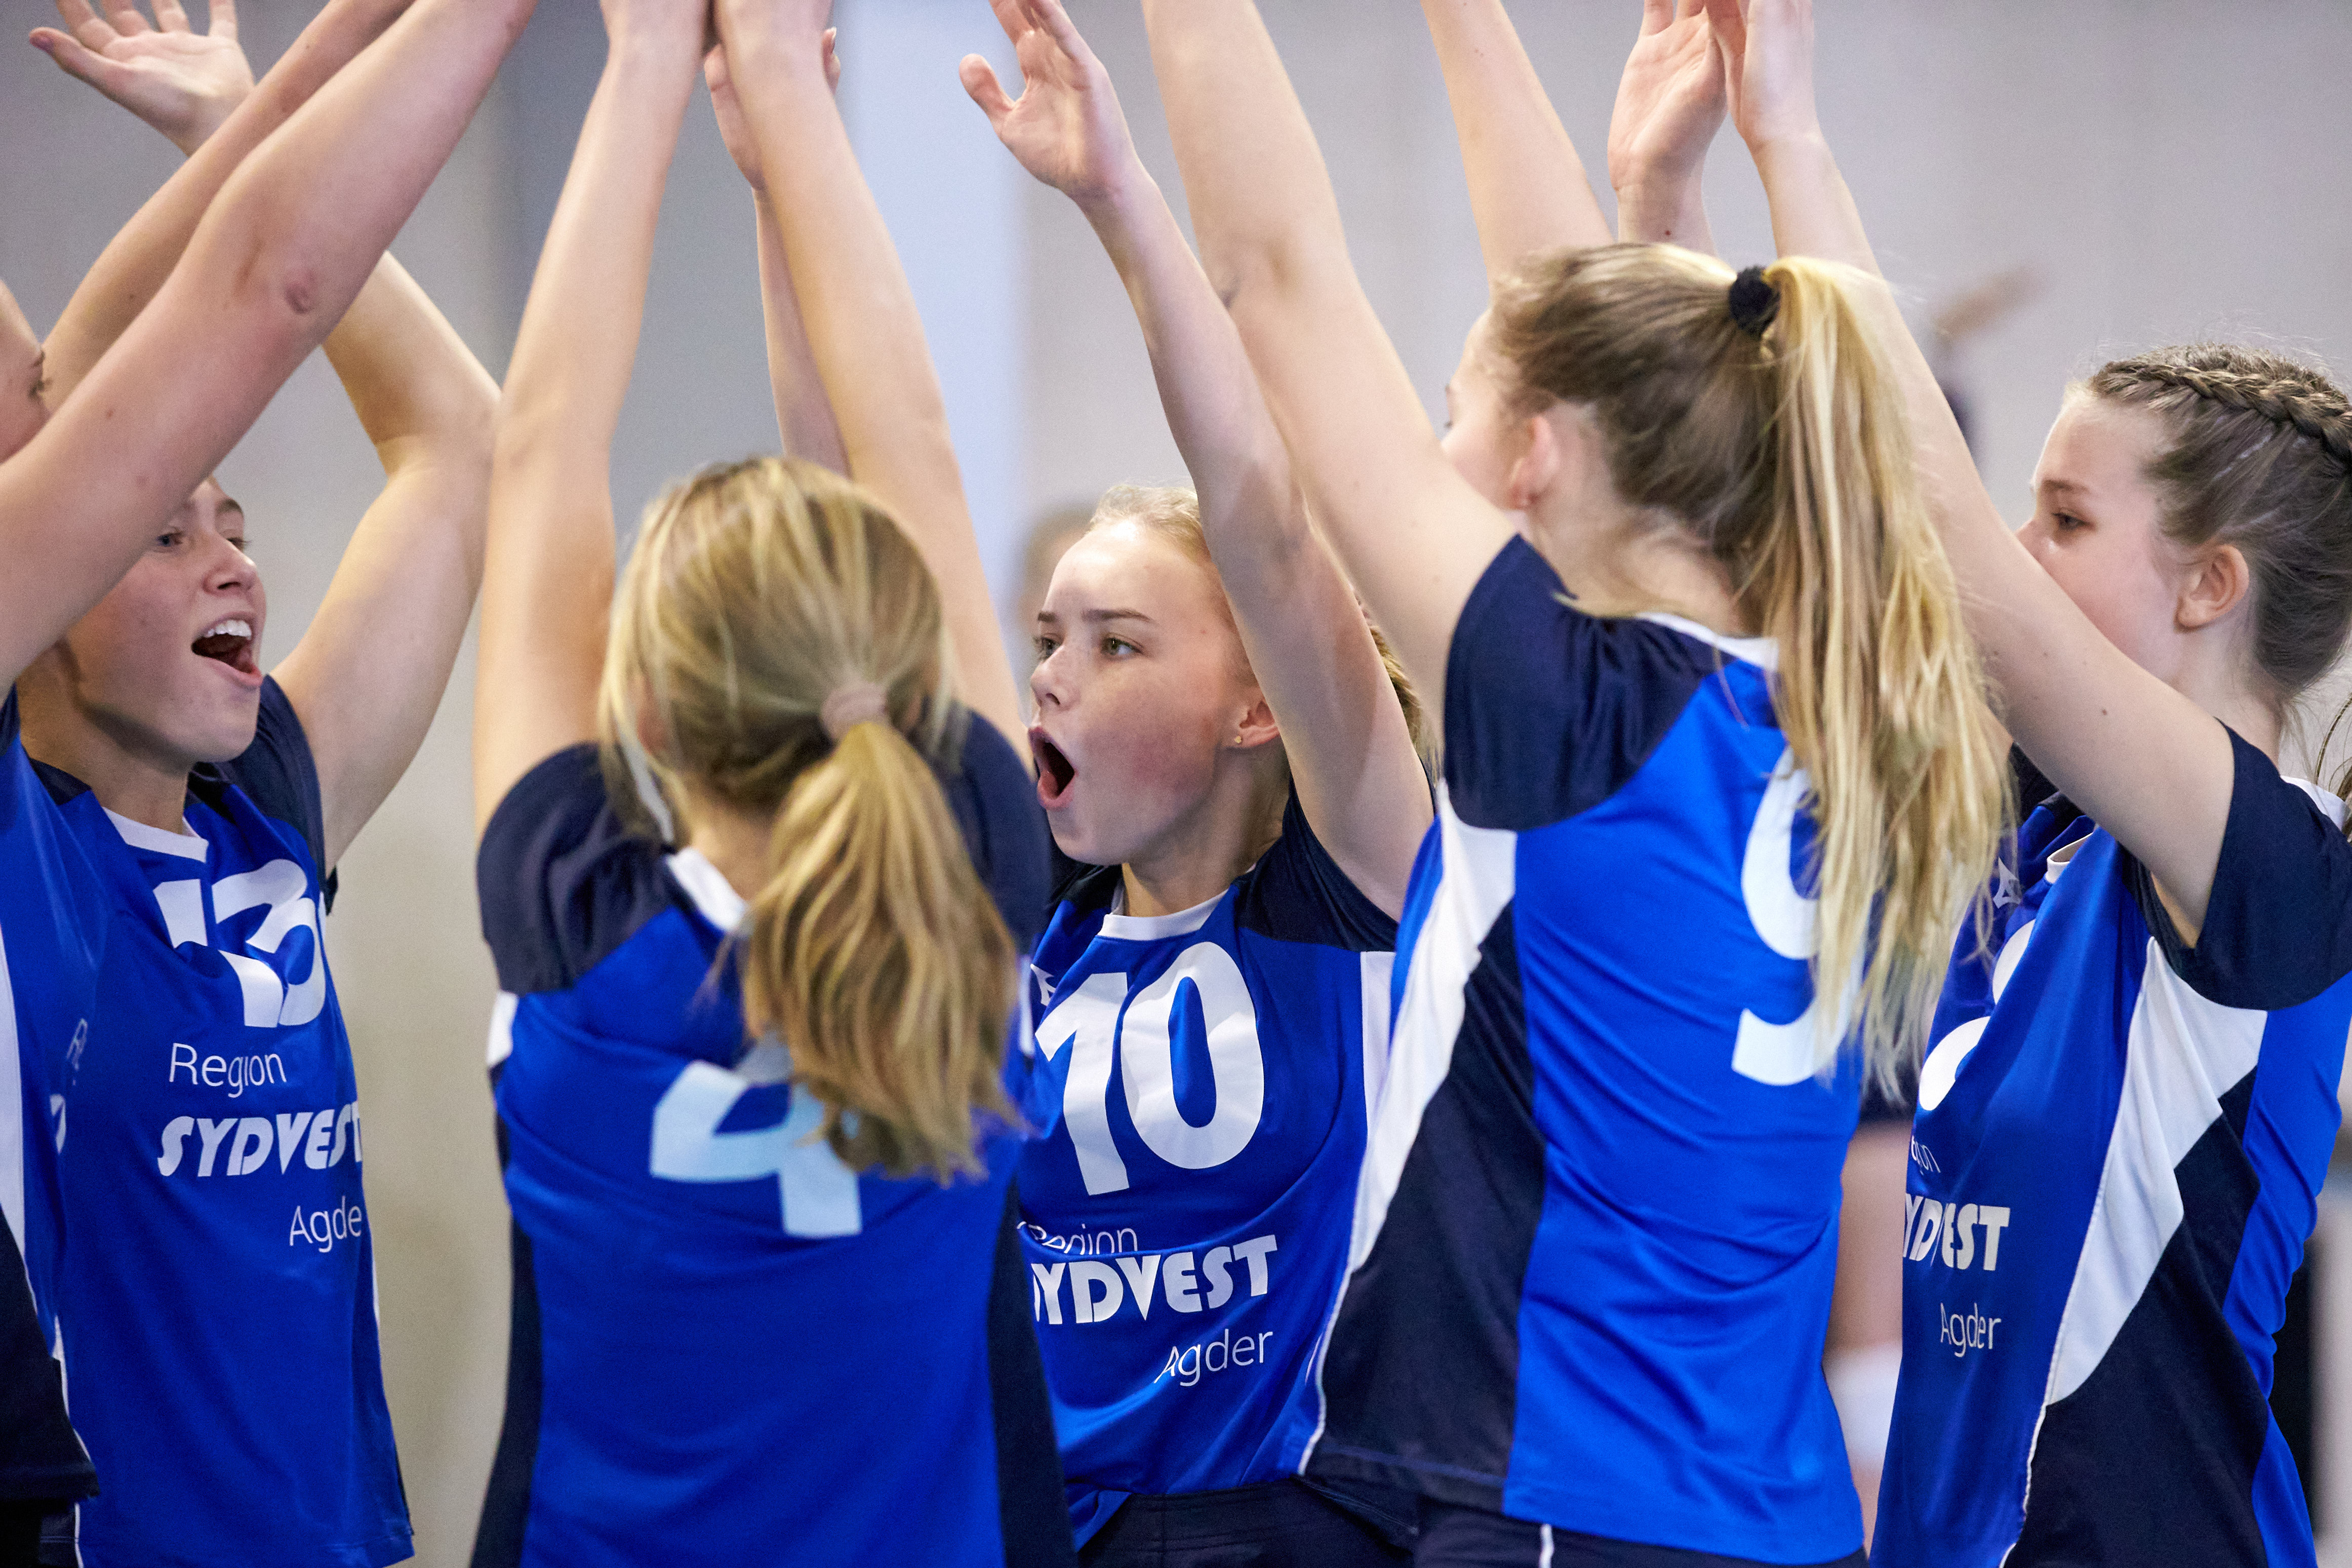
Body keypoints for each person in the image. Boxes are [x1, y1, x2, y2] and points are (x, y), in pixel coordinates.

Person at [1142, 0, 2009, 1562]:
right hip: (1770, 1512)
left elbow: (1270, 272)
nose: (1435, 453)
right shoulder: (1841, 709)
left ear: (1536, 458)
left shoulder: (1577, 714)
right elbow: (1595, 364)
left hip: (1566, 1499)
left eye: (1454, 416)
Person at [1682, 1, 2352, 1560]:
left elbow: (1940, 549)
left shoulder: (2271, 859)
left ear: (2211, 586)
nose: (2019, 546)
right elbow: (1775, 519)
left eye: (2064, 517)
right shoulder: (2040, 831)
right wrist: (1670, 195)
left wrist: (1791, 136)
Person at [465, 0, 1067, 1561]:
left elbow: (540, 449)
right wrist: (784, 105)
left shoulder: (577, 927)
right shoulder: (970, 892)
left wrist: (644, 68)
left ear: (644, 713)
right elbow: (906, 443)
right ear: (900, 685)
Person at [0, 0, 530, 1561]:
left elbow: (461, 446)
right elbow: (67, 405)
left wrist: (236, 122)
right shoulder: (29, 845)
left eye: (233, 524)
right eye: (165, 530)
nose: (232, 559)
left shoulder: (272, 805)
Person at [959, 4, 1434, 1561]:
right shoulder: (1036, 923)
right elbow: (885, 471)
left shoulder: (1352, 890)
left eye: (1117, 643)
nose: (1051, 676)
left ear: (1253, 704)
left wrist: (1117, 200)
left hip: (1301, 1523)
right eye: (1049, 638)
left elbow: (1264, 518)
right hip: (1056, 1525)